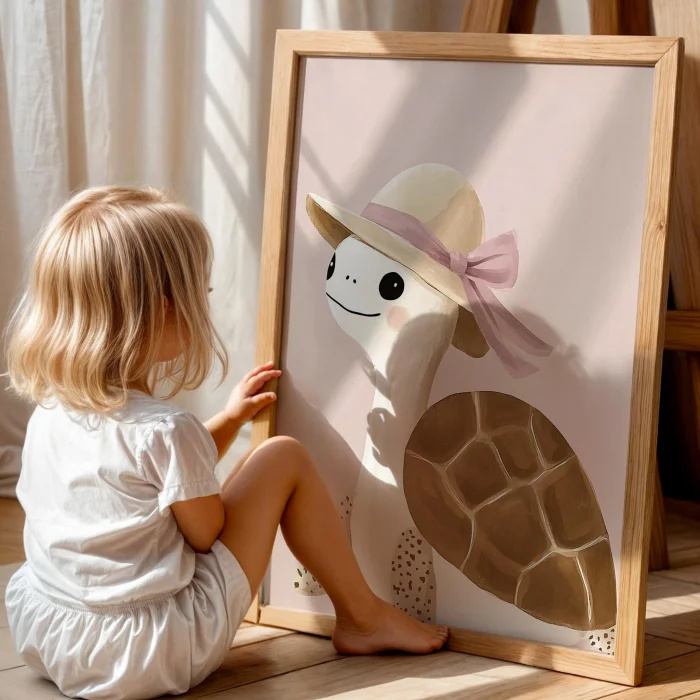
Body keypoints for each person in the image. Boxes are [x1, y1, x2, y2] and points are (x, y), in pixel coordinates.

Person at [3, 186, 448, 700]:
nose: (205, 305)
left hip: (51, 634)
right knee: (283, 457)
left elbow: (149, 480)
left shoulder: (49, 412)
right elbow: (204, 531)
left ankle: (363, 616)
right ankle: (362, 616)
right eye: (201, 294)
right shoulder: (166, 429)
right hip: (149, 651)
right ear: (163, 312)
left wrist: (230, 421)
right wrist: (241, 480)